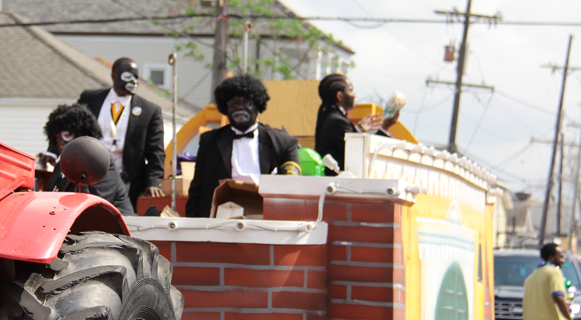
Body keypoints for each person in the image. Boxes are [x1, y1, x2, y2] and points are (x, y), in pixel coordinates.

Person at [185, 74, 300, 218]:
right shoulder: (209, 141)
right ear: (225, 108)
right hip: (220, 216)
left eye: (247, 102)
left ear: (258, 105)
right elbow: (197, 188)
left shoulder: (284, 143)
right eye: (233, 103)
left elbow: (293, 186)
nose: (240, 108)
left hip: (264, 216)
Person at [76, 58, 166, 210]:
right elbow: (70, 125)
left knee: (123, 218)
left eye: (136, 76)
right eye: (127, 76)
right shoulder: (90, 99)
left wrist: (153, 181)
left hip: (127, 180)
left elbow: (156, 151)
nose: (133, 81)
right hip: (90, 175)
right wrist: (52, 151)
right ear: (113, 76)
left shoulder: (150, 110)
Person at [41, 103, 134, 217]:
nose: (61, 142)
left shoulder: (99, 160)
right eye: (57, 137)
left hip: (116, 228)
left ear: (84, 133)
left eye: (67, 135)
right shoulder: (60, 166)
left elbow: (94, 205)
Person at [314, 73, 398, 176]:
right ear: (339, 96)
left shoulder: (331, 117)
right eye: (350, 90)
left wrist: (359, 129)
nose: (355, 95)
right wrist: (384, 127)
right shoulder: (337, 121)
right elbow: (360, 153)